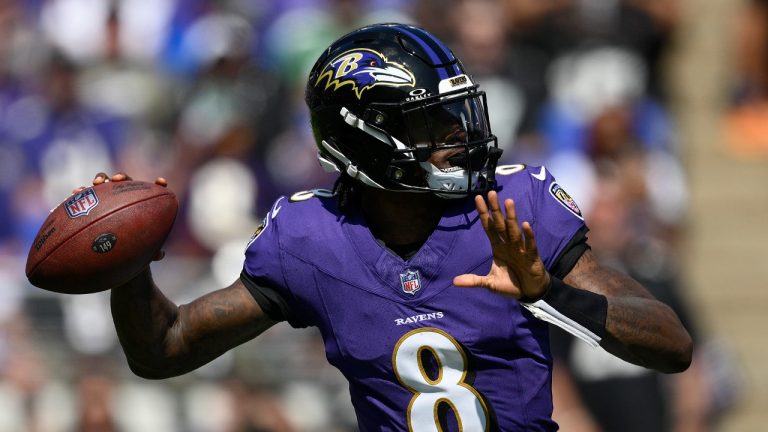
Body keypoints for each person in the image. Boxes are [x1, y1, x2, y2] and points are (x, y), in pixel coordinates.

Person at [81, 23, 691, 430]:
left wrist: (549, 295)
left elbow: (670, 345)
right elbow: (164, 350)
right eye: (433, 123)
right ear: (365, 139)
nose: (460, 135)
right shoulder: (311, 238)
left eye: (458, 115)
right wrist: (126, 262)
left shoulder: (512, 208)